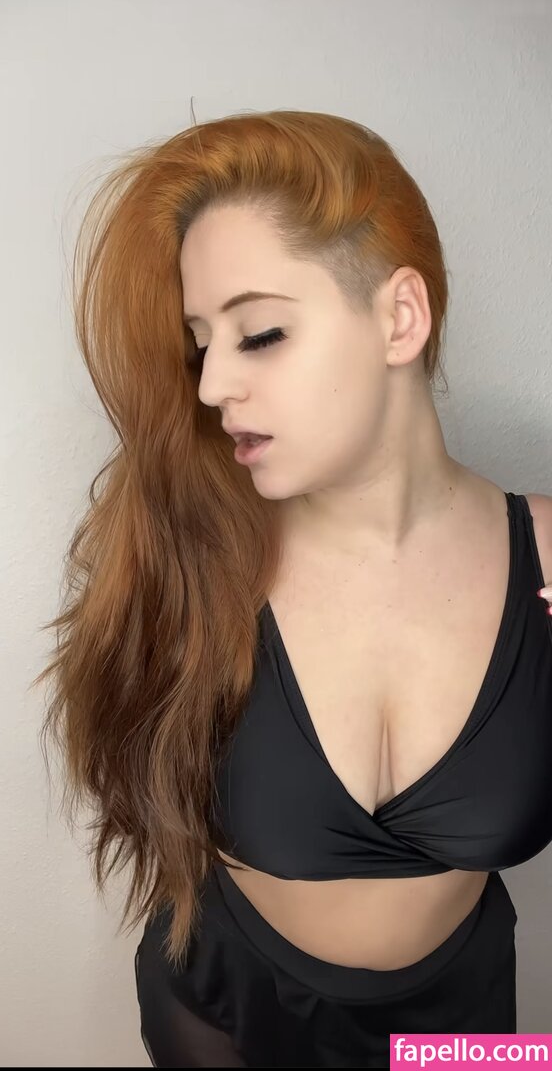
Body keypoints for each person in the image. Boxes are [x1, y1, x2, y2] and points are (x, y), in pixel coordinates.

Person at [35, 107, 552, 1069]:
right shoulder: (202, 558)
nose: (210, 387)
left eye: (260, 333)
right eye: (201, 344)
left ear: (400, 317)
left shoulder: (546, 561)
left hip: (464, 1025)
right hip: (226, 1014)